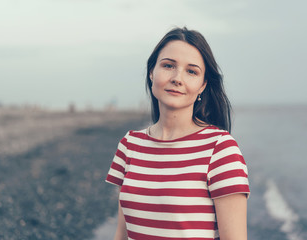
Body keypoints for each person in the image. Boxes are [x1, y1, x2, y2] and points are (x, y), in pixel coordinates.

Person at [106, 27, 250, 240]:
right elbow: (121, 234)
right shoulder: (129, 144)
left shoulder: (220, 149)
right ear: (151, 72)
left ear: (202, 85)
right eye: (168, 65)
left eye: (191, 71)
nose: (177, 78)